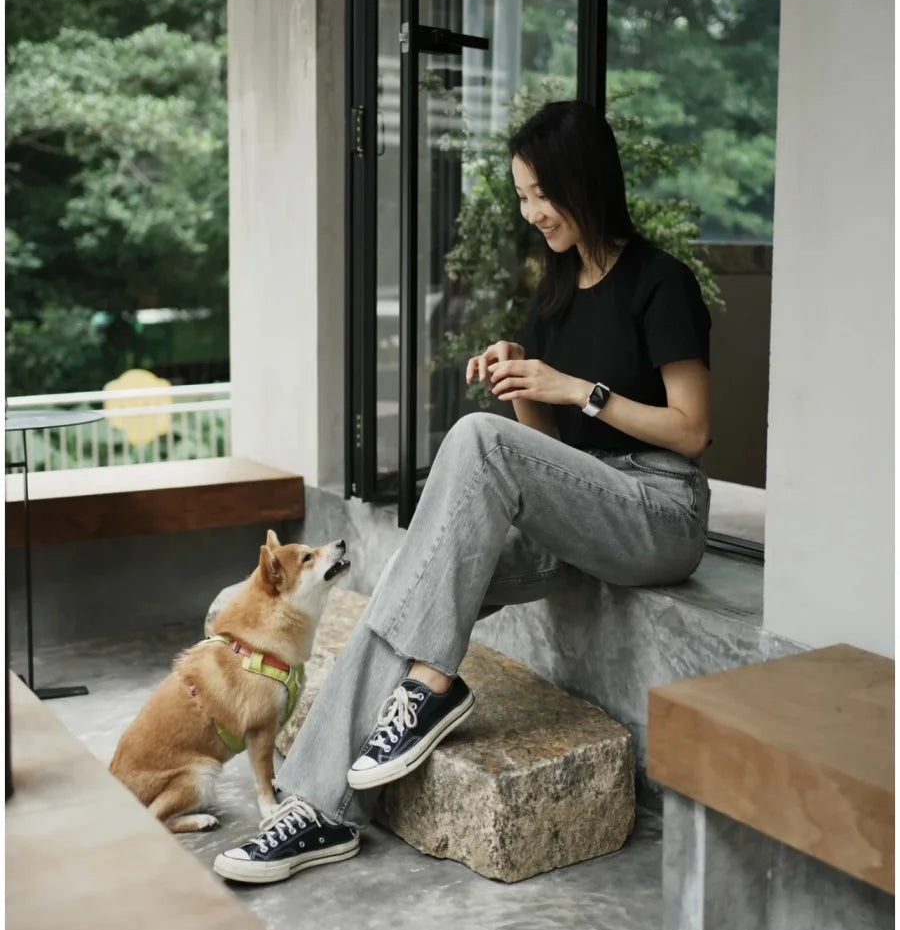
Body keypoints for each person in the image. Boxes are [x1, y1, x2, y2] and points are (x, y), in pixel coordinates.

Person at [212, 100, 712, 885]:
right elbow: (546, 459)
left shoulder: (661, 282)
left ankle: (432, 688)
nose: (532, 211)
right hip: (584, 515)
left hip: (658, 513)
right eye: (521, 196)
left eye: (542, 193)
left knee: (475, 441)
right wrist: (522, 381)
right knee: (408, 583)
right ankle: (317, 809)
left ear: (587, 181)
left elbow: (692, 431)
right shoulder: (556, 293)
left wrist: (574, 388)